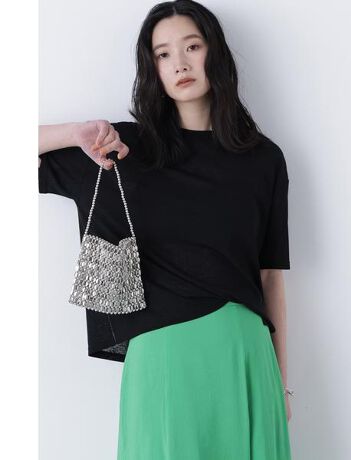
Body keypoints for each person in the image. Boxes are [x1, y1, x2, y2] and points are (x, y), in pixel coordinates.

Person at [39, 1, 293, 458]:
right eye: (163, 54)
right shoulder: (120, 149)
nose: (180, 63)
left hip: (244, 354)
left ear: (215, 53)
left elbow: (270, 276)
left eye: (192, 46)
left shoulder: (264, 159)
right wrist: (75, 132)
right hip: (163, 359)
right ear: (152, 69)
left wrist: (282, 382)